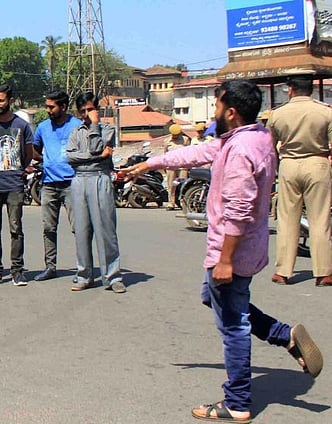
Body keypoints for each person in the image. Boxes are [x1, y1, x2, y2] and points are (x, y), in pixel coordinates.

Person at [124, 79, 324, 423]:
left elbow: (239, 210)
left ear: (230, 112)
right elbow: (199, 152)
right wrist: (151, 164)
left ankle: (238, 402)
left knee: (233, 326)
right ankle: (284, 335)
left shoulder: (241, 151)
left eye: (216, 106)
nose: (213, 112)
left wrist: (225, 260)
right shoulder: (252, 137)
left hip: (232, 250)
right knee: (212, 297)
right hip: (247, 246)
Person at [266, 76, 332, 286]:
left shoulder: (278, 113)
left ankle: (283, 271)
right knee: (320, 219)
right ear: (311, 90)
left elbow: (269, 147)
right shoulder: (325, 112)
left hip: (289, 165)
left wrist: (274, 171)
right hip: (318, 163)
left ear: (290, 89)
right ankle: (324, 272)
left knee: (287, 219)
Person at [65, 92, 125, 293]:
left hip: (100, 178)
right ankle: (84, 275)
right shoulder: (75, 132)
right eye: (82, 111)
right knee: (81, 230)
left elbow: (97, 145)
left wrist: (94, 126)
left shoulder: (107, 129)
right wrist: (95, 156)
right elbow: (70, 157)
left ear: (97, 109)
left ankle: (113, 276)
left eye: (90, 110)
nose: (86, 114)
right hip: (79, 180)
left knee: (105, 229)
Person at [0, 84, 35, 287]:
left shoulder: (22, 125)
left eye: (1, 100)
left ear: (10, 101)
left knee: (15, 228)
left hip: (14, 185)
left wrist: (20, 170)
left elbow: (29, 153)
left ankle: (17, 271)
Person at [31, 89, 81, 281]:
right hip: (49, 184)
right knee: (48, 228)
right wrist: (47, 160)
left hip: (72, 183)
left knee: (79, 227)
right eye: (47, 106)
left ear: (63, 107)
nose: (48, 110)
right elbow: (35, 149)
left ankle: (82, 268)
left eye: (51, 107)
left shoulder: (77, 126)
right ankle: (50, 267)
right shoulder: (43, 127)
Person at [163, 124, 191, 210]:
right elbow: (165, 154)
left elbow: (189, 152)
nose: (176, 136)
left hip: (182, 166)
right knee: (171, 185)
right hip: (171, 166)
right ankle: (171, 202)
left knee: (183, 184)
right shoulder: (167, 141)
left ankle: (183, 202)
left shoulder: (185, 140)